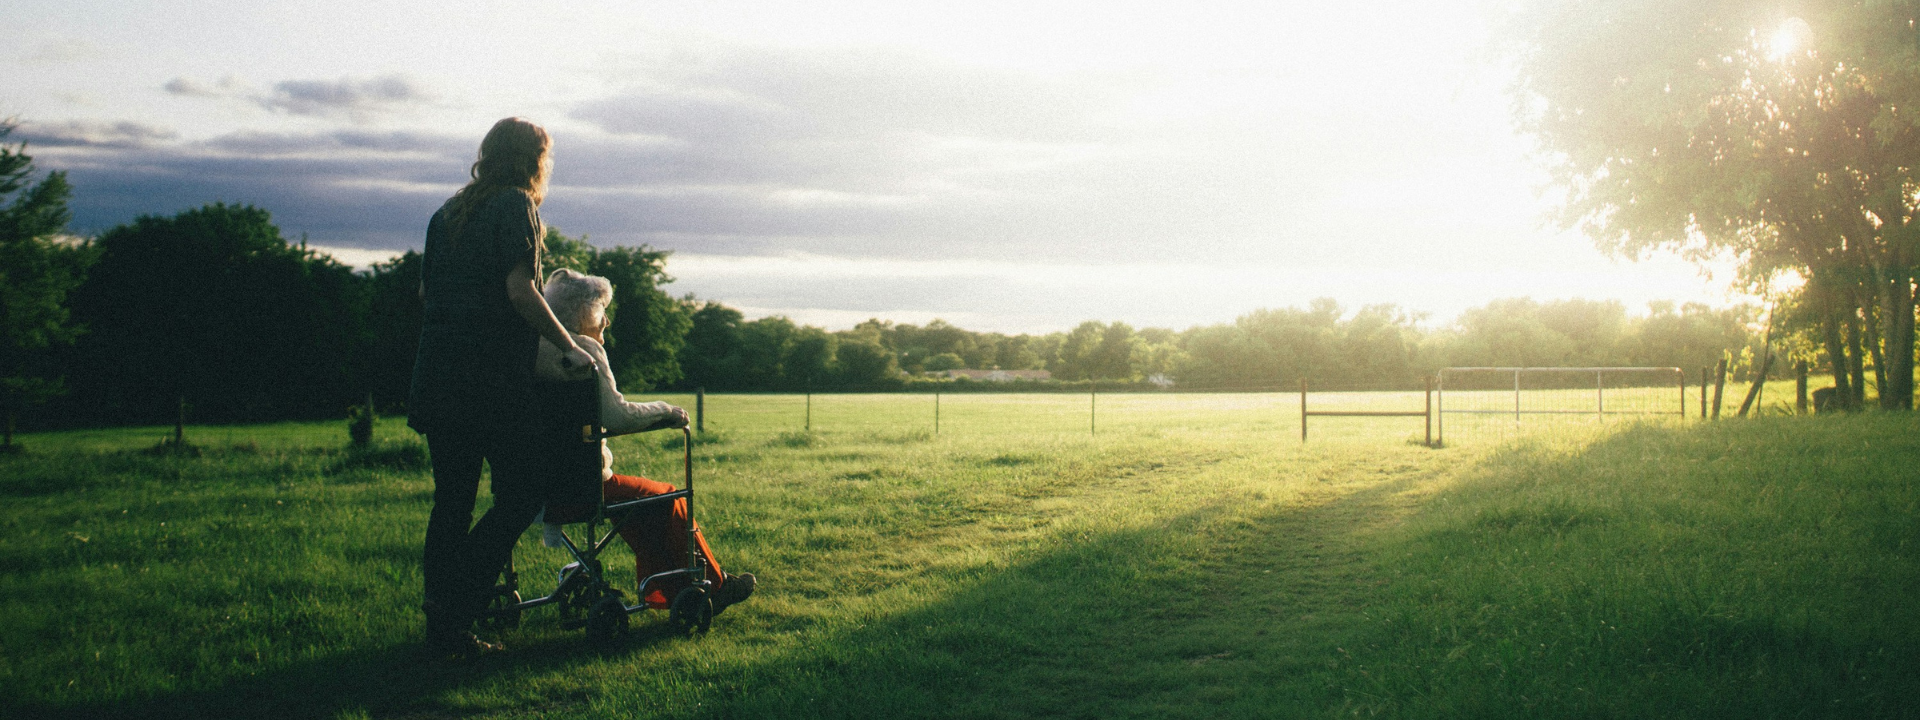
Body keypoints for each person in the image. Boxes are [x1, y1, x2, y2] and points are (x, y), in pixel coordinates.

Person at [407, 117, 595, 655]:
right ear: (533, 160)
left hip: (437, 376)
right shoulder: (516, 207)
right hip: (487, 383)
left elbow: (427, 292)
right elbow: (521, 291)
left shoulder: (447, 214)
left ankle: (443, 626)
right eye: (547, 158)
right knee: (523, 492)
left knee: (453, 502)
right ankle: (456, 601)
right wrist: (568, 345)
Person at [532, 268, 756, 613]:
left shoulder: (533, 348)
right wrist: (666, 411)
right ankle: (714, 585)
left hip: (536, 485)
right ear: (582, 313)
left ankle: (666, 591)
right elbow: (617, 416)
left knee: (641, 502)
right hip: (582, 486)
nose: (606, 321)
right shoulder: (583, 351)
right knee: (666, 496)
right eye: (601, 310)